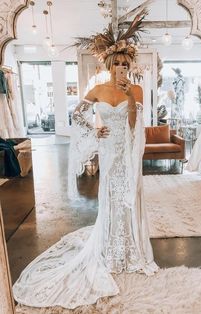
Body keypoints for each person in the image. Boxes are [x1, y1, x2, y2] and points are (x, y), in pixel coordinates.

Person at [13, 12, 158, 309]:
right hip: (108, 150)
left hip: (127, 153)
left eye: (125, 64)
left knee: (129, 198)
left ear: (129, 66)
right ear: (108, 65)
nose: (121, 69)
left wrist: (130, 98)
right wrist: (94, 127)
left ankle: (131, 250)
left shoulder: (137, 90)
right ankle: (109, 248)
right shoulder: (97, 90)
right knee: (110, 198)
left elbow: (133, 126)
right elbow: (75, 115)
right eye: (116, 64)